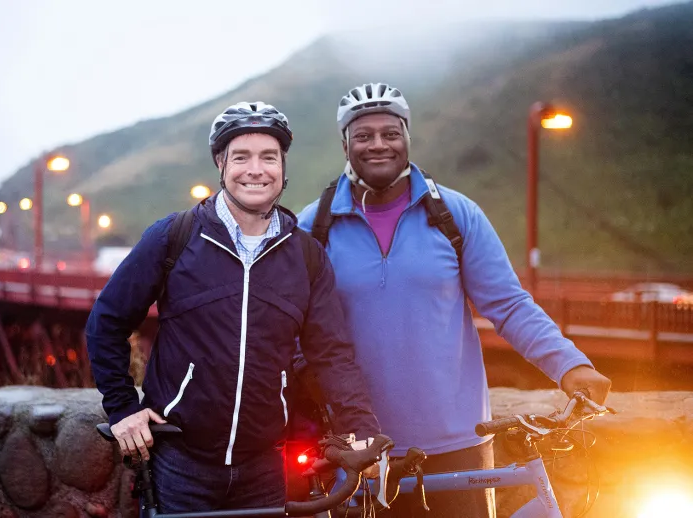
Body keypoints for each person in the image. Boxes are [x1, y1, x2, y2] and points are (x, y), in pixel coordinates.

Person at [296, 83, 612, 517]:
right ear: (345, 144)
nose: (378, 144)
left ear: (407, 137)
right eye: (363, 135)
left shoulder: (454, 215)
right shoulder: (314, 225)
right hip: (357, 449)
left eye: (390, 132)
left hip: (459, 442)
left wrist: (569, 364)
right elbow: (290, 326)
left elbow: (508, 304)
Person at [86, 101, 381, 513]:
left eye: (269, 157)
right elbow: (107, 322)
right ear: (221, 164)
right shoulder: (175, 236)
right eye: (241, 157)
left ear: (283, 167)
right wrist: (122, 409)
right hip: (180, 461)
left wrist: (359, 425)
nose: (256, 170)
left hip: (265, 466)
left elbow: (330, 353)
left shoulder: (307, 257)